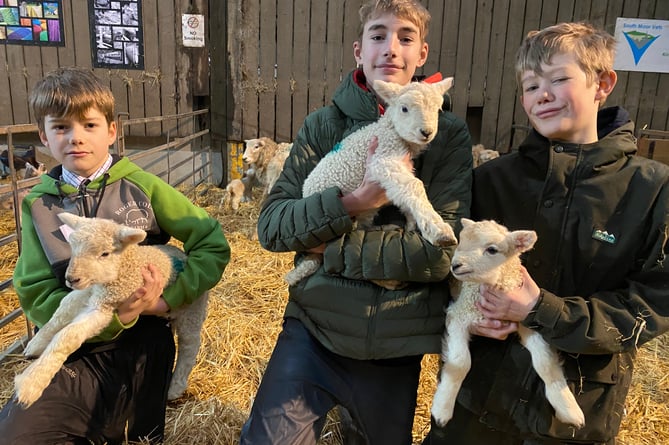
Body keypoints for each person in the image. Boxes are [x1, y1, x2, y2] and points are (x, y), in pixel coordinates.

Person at [422, 21, 669, 445]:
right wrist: (465, 308)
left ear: (603, 83)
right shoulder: (492, 181)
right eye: (531, 85)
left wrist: (542, 310)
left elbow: (656, 300)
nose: (543, 95)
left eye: (559, 79)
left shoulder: (651, 189)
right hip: (477, 404)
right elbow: (443, 265)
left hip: (575, 412)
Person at [239, 1, 472, 444]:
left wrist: (328, 250)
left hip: (396, 340)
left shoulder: (448, 135)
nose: (391, 48)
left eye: (405, 38)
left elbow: (442, 251)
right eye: (378, 35)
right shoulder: (323, 125)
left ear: (421, 53)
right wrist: (354, 201)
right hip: (315, 326)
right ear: (358, 49)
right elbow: (271, 226)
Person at [0, 66, 231, 444]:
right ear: (43, 135)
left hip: (144, 340)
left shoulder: (143, 186)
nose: (75, 138)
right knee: (15, 435)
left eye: (89, 125)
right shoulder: (39, 205)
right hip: (76, 347)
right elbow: (35, 288)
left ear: (112, 130)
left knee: (134, 437)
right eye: (61, 128)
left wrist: (167, 300)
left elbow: (211, 243)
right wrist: (105, 315)